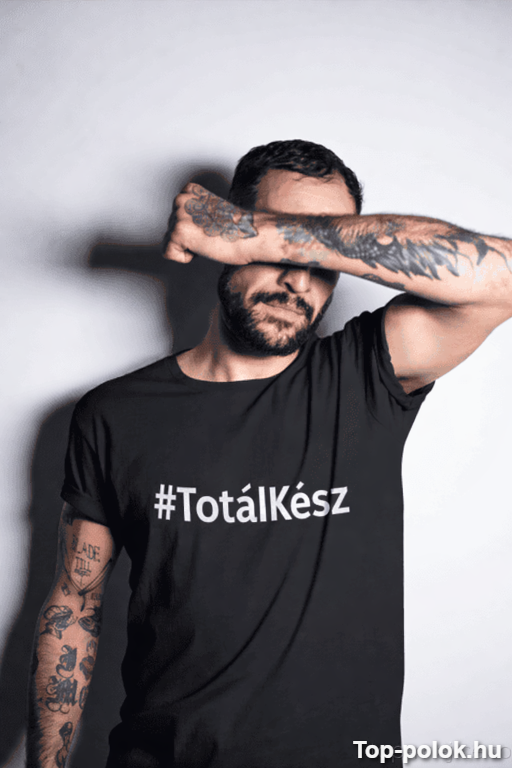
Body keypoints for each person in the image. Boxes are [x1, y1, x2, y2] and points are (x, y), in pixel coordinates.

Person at [27, 140, 512, 768]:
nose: (297, 279)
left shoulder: (366, 374)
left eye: (319, 253)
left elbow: (502, 277)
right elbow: (75, 603)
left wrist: (268, 234)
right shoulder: (114, 413)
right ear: (224, 239)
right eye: (275, 248)